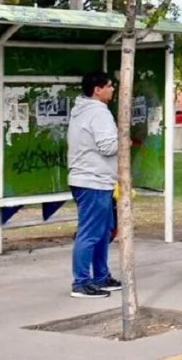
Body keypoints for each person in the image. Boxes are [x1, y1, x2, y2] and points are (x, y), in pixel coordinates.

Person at [67, 72, 122, 299]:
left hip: (94, 179)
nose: (112, 90)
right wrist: (123, 140)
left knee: (103, 231)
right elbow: (108, 146)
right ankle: (81, 282)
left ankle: (101, 276)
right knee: (90, 232)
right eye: (109, 86)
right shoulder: (99, 113)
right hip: (93, 180)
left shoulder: (81, 111)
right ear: (97, 90)